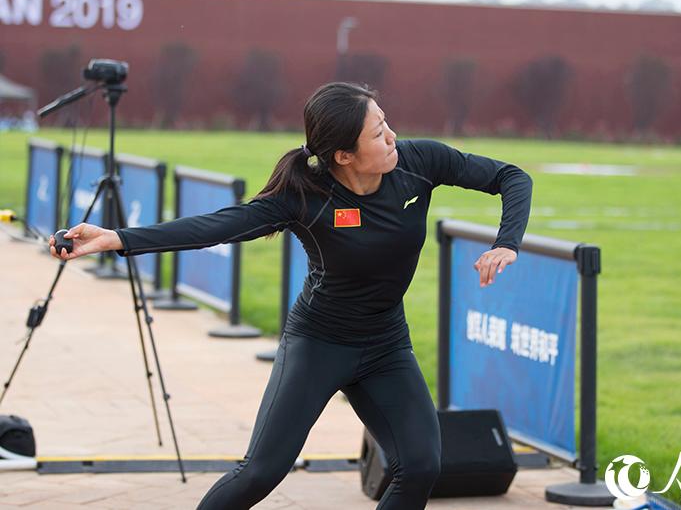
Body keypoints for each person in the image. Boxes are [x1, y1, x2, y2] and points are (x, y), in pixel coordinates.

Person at [49, 82, 533, 509]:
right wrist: (117, 238)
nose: (392, 138)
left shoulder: (419, 161)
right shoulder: (304, 196)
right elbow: (216, 226)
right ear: (343, 155)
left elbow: (512, 176)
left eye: (387, 123)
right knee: (259, 474)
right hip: (319, 343)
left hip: (387, 344)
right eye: (377, 133)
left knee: (422, 465)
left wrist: (506, 242)